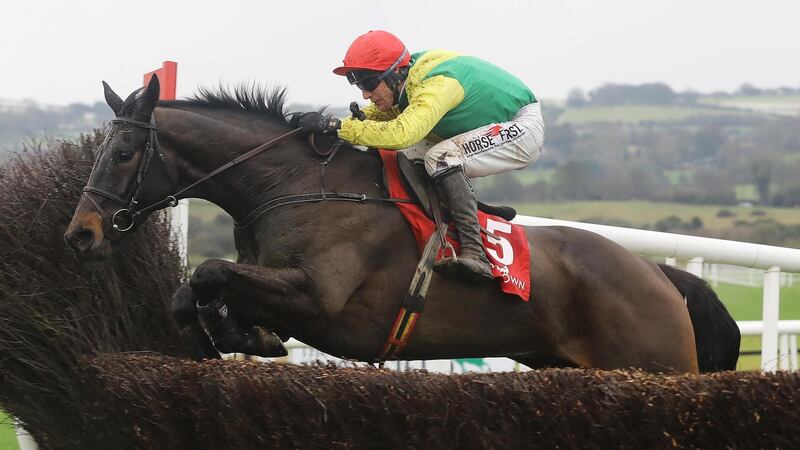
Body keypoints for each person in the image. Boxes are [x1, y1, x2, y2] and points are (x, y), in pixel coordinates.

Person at [293, 30, 544, 282]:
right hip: (491, 124)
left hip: (522, 126)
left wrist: (337, 128)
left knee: (440, 158)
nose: (365, 95)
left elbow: (401, 133)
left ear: (394, 73)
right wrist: (331, 125)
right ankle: (458, 214)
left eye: (368, 84)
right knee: (405, 155)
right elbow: (385, 117)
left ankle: (475, 253)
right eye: (359, 85)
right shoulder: (408, 78)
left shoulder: (437, 84)